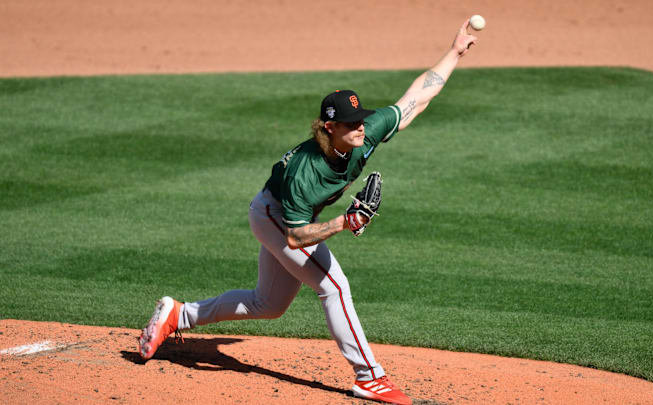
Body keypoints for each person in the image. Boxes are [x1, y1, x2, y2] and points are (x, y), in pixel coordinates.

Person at [138, 19, 477, 405]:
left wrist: (453, 52)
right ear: (330, 128)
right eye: (351, 123)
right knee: (333, 286)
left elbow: (413, 100)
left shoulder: (362, 132)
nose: (361, 127)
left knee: (268, 305)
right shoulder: (306, 173)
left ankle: (179, 315)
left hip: (290, 217)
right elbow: (296, 237)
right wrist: (343, 222)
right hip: (275, 217)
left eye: (361, 118)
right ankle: (369, 376)